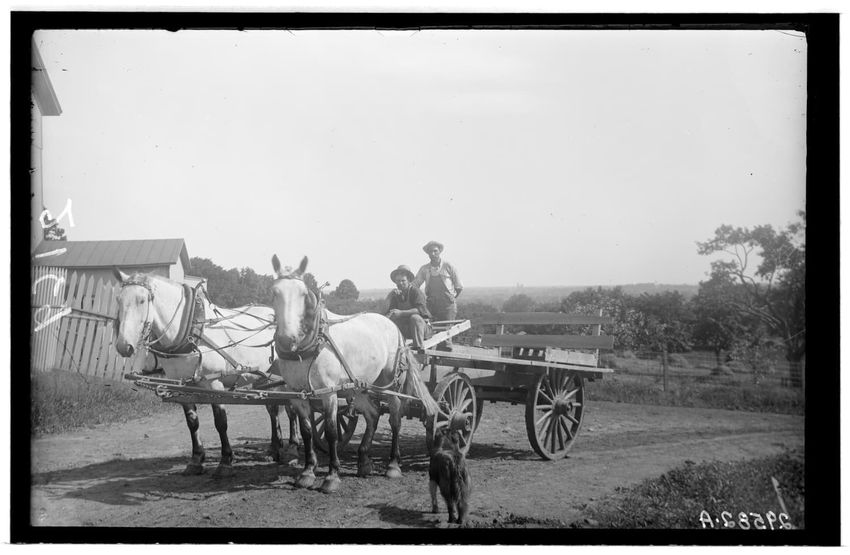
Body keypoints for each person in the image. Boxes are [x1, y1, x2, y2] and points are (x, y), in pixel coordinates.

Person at [413, 240, 463, 351]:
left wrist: (452, 298)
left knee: (446, 335)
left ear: (440, 251)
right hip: (431, 304)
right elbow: (415, 284)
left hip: (447, 305)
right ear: (427, 253)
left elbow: (459, 286)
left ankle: (444, 359)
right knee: (428, 331)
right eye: (430, 251)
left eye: (435, 251)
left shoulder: (448, 266)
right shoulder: (424, 269)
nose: (433, 253)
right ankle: (429, 358)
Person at [386, 265, 431, 350]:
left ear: (409, 280)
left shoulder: (415, 292)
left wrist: (401, 313)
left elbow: (420, 310)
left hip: (421, 329)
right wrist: (389, 296)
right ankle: (397, 347)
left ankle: (418, 348)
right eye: (398, 281)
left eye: (403, 280)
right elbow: (387, 312)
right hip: (407, 329)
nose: (400, 283)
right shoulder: (396, 294)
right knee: (392, 319)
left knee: (415, 318)